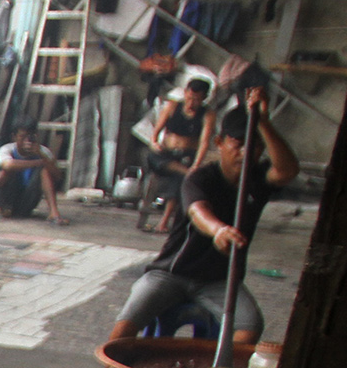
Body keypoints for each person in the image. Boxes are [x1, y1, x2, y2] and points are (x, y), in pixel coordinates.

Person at [109, 88, 299, 349]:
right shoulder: (200, 177)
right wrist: (219, 230)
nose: (245, 153)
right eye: (238, 144)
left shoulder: (259, 179)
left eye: (254, 147)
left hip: (219, 280)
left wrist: (264, 121)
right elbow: (199, 212)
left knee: (249, 328)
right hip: (171, 274)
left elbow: (288, 170)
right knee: (124, 329)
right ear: (220, 142)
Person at [0, 121, 66, 224]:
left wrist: (41, 154)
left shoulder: (43, 152)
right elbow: (7, 165)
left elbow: (57, 176)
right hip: (8, 198)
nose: (27, 141)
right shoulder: (7, 149)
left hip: (29, 199)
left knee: (45, 171)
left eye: (30, 137)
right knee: (6, 172)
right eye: (22, 136)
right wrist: (39, 162)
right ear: (14, 137)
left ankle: (54, 213)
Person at [147, 77, 212, 232]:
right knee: (153, 157)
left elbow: (204, 142)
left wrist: (196, 164)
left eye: (196, 100)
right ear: (185, 93)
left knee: (181, 178)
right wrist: (155, 143)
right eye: (189, 98)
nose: (191, 103)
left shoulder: (207, 114)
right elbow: (155, 132)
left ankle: (164, 222)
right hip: (166, 155)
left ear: (204, 98)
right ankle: (185, 171)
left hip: (187, 156)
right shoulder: (173, 106)